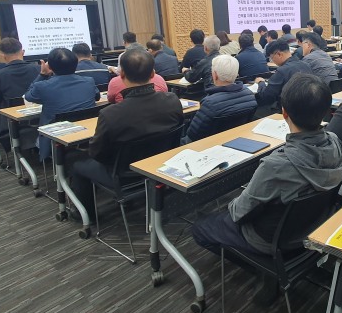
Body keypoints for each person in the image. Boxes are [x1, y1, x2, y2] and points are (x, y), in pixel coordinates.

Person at [192, 73, 342, 256]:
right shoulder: (336, 142)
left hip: (270, 241)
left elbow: (238, 212)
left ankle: (257, 268)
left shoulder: (276, 165)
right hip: (314, 226)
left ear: (284, 113)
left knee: (200, 228)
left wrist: (235, 200)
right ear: (328, 111)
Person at [68, 48, 184, 220]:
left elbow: (97, 153)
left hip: (124, 175)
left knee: (75, 162)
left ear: (121, 75)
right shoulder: (173, 100)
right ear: (153, 73)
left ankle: (86, 216)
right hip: (161, 165)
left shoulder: (111, 114)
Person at [25, 48, 99, 160]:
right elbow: (97, 96)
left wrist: (43, 74)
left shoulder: (42, 86)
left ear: (50, 66)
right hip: (86, 133)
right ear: (76, 64)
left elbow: (28, 96)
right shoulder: (89, 81)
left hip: (55, 137)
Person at [185, 55, 258, 143]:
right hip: (237, 141)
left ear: (214, 75)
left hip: (210, 146)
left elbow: (193, 135)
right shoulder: (249, 95)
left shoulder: (210, 103)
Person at [0, 37, 39, 134]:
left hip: (10, 120)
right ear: (23, 52)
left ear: (2, 55)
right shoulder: (38, 69)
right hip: (39, 116)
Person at [254, 40, 313, 110]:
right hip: (309, 107)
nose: (272, 60)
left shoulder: (282, 71)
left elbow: (266, 97)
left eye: (271, 57)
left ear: (279, 54)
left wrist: (261, 83)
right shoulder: (305, 65)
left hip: (289, 111)